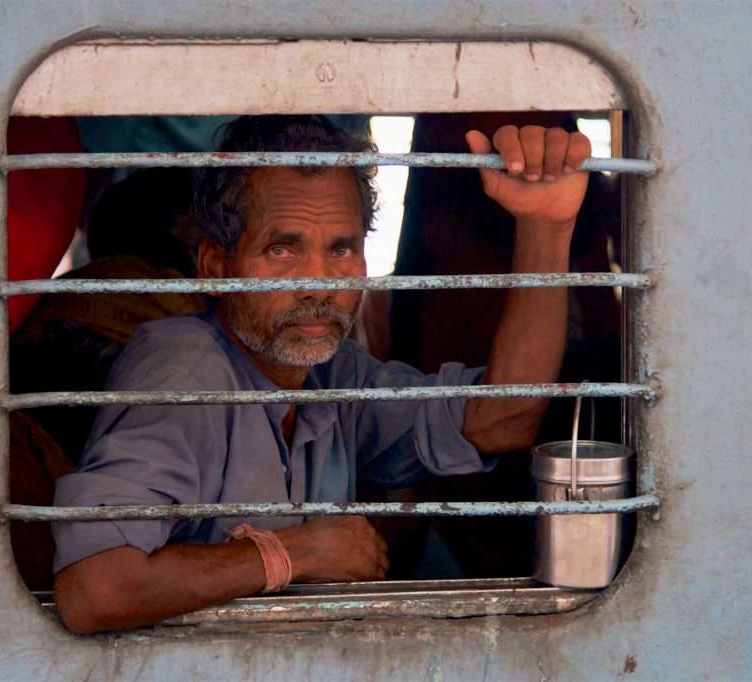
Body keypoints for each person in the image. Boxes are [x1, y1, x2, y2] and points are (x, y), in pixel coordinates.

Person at [51, 115, 592, 633]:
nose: (319, 284)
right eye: (283, 249)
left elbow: (500, 420)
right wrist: (299, 551)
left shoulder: (330, 374)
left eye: (342, 249)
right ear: (216, 265)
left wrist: (545, 228)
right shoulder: (185, 373)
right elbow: (96, 589)